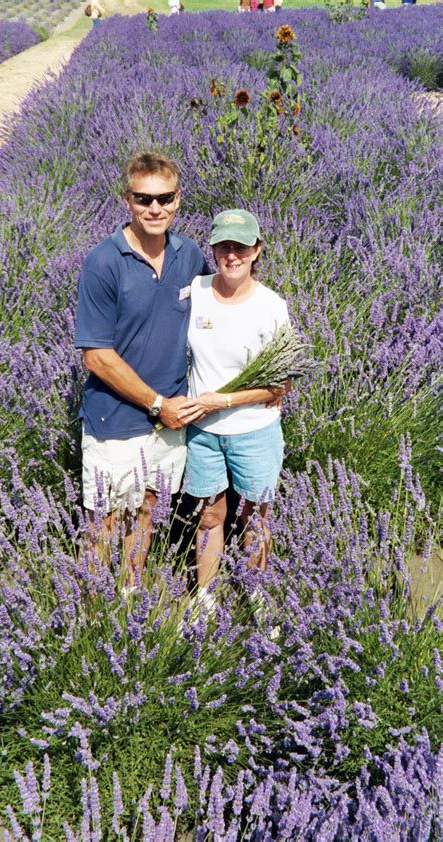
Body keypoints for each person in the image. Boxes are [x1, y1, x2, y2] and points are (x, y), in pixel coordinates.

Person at [74, 151, 209, 588]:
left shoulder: (189, 256)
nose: (155, 209)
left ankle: (131, 598)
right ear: (127, 200)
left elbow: (218, 313)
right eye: (144, 199)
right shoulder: (104, 262)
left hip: (170, 420)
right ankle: (91, 621)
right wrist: (157, 404)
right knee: (103, 525)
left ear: (178, 199)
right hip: (115, 419)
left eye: (165, 198)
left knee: (149, 511)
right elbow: (96, 355)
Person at [177, 210, 291, 597]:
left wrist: (222, 400)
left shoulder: (271, 307)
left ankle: (255, 597)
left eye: (241, 247)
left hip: (253, 432)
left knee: (255, 518)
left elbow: (281, 385)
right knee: (210, 517)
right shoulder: (196, 292)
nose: (232, 255)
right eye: (224, 246)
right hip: (204, 434)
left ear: (257, 250)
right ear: (212, 248)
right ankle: (204, 601)